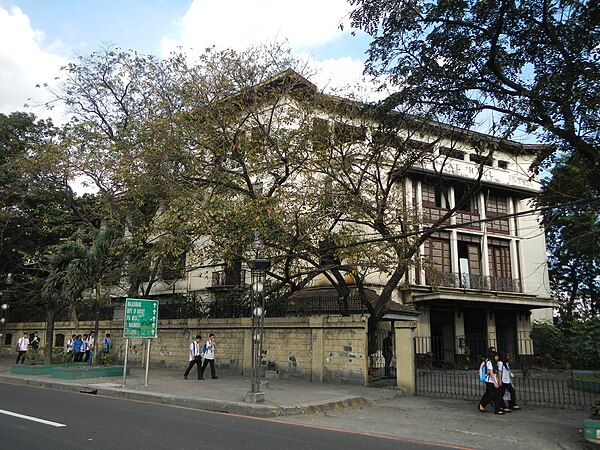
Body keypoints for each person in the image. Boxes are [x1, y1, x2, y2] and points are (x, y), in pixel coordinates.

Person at [478, 349, 504, 414]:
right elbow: (491, 373)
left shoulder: (494, 363)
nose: (497, 357)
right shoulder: (489, 362)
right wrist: (495, 382)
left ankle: (497, 409)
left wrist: (498, 379)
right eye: (496, 356)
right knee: (492, 394)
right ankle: (482, 404)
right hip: (489, 381)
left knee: (497, 394)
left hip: (493, 380)